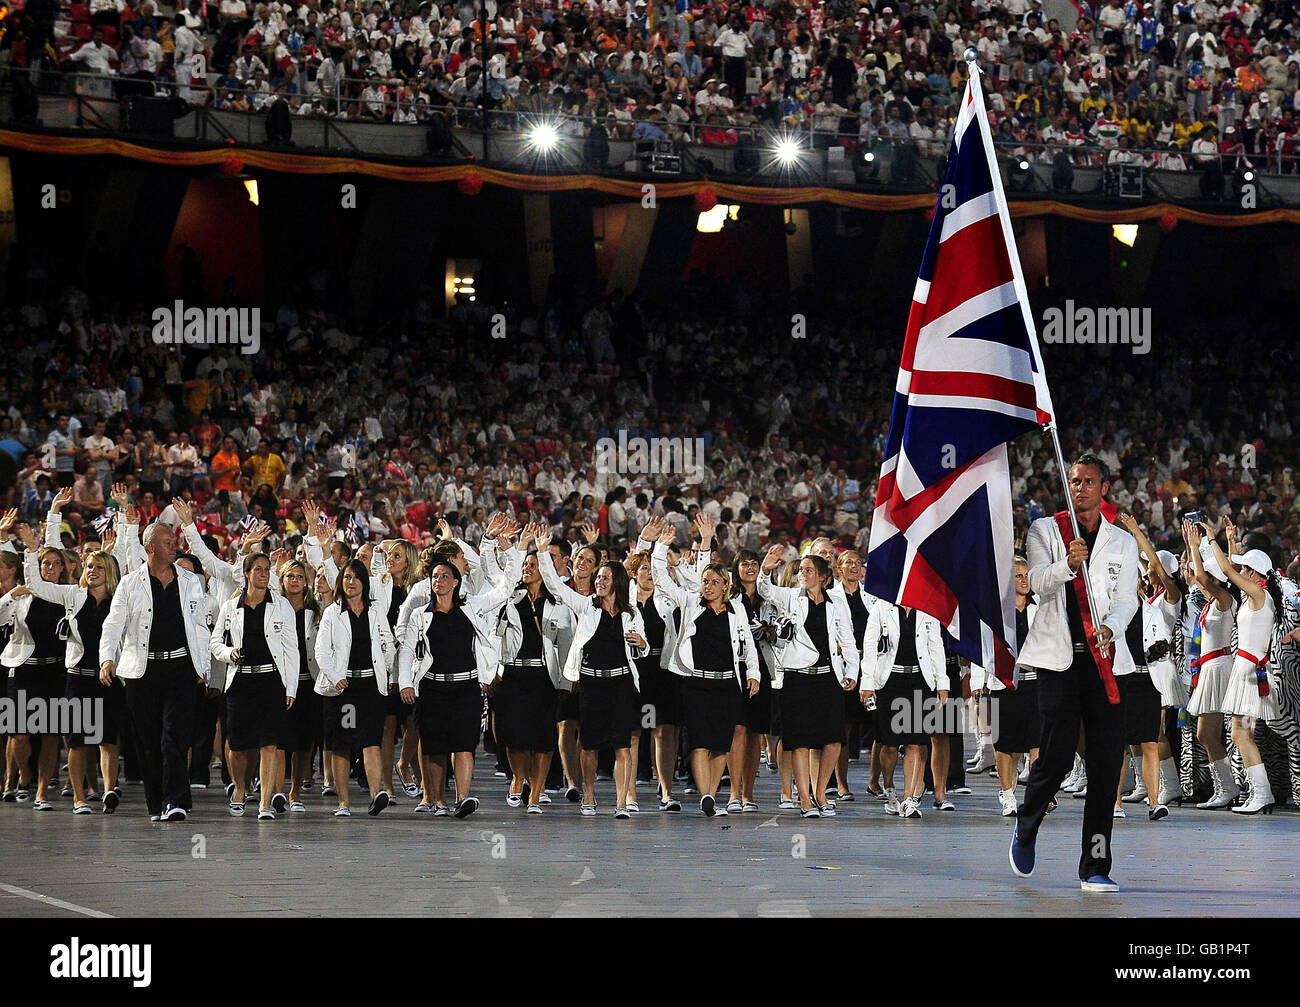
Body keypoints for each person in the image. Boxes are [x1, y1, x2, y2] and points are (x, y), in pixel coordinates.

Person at [1010, 454, 1139, 893]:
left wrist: (1111, 627)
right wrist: (1068, 563)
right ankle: (1027, 825)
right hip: (1058, 663)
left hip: (1104, 659)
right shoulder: (1046, 530)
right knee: (1058, 757)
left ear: (1104, 487)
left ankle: (1095, 864)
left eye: (1088, 481)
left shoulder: (1122, 541)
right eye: (1074, 480)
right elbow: (1039, 583)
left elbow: (1127, 600)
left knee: (1106, 765)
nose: (1080, 487)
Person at [398, 525, 523, 818]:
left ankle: (463, 798)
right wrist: (406, 682)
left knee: (464, 745)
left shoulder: (473, 607)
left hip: (466, 688)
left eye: (444, 577)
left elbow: (506, 588)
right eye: (435, 577)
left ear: (456, 582)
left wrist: (509, 552)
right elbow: (406, 650)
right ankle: (439, 800)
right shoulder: (421, 615)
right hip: (431, 688)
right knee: (435, 747)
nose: (439, 581)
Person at [100, 521, 213, 822]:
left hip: (180, 668)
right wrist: (106, 659)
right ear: (150, 547)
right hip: (142, 670)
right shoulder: (130, 583)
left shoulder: (190, 580)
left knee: (174, 737)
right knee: (148, 742)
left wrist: (202, 667)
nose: (174, 546)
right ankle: (157, 802)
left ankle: (175, 800)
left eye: (174, 541)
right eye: (167, 542)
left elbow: (201, 627)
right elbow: (113, 624)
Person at [648, 515, 760, 818]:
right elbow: (660, 577)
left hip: (726, 684)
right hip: (696, 683)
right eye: (705, 581)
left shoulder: (736, 609)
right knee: (699, 743)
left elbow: (747, 643)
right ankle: (707, 795)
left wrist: (753, 673)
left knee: (720, 745)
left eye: (714, 582)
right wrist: (659, 548)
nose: (708, 585)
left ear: (725, 585)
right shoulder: (690, 602)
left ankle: (712, 795)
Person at [536, 524, 648, 818]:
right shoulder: (587, 607)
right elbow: (556, 586)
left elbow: (643, 645)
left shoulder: (631, 612)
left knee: (623, 746)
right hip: (592, 685)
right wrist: (540, 551)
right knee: (589, 746)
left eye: (605, 578)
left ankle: (621, 802)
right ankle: (588, 794)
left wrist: (642, 643)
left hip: (621, 684)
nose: (599, 581)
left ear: (617, 583)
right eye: (598, 577)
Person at [16, 524, 124, 814]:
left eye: (99, 567)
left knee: (107, 740)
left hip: (109, 678)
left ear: (110, 572)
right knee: (77, 741)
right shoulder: (73, 596)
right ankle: (79, 798)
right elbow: (38, 586)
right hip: (78, 679)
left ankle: (109, 790)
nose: (92, 571)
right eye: (89, 566)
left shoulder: (119, 601)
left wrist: (125, 531)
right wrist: (30, 550)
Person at [757, 545, 859, 818]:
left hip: (828, 678)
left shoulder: (836, 603)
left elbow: (848, 640)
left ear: (823, 576)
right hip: (797, 679)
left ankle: (821, 792)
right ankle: (804, 799)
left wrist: (852, 671)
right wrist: (766, 570)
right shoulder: (791, 597)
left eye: (809, 570)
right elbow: (766, 591)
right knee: (799, 742)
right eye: (801, 570)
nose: (802, 574)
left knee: (834, 740)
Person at [211, 553, 299, 820]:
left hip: (271, 680)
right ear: (247, 573)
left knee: (269, 743)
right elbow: (215, 643)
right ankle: (239, 789)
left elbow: (290, 649)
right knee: (237, 745)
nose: (264, 574)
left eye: (267, 569)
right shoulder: (230, 607)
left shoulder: (281, 605)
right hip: (240, 680)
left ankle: (265, 802)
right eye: (258, 569)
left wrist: (290, 688)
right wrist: (229, 653)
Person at [1207, 520, 1283, 814]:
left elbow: (1226, 570)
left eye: (1244, 569)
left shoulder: (1259, 595)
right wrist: (1230, 539)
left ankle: (1262, 794)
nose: (1238, 573)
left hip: (1251, 673)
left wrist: (1213, 539)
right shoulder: (1256, 594)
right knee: (1242, 734)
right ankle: (1259, 793)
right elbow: (1230, 571)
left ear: (1254, 574)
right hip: (1247, 671)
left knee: (1242, 734)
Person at [495, 532, 573, 813]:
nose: (527, 570)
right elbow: (496, 636)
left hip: (543, 677)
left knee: (542, 737)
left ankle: (536, 794)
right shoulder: (510, 598)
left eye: (533, 565)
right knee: (513, 734)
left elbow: (565, 642)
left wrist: (566, 680)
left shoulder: (556, 602)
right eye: (524, 566)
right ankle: (518, 778)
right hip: (513, 674)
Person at [314, 558, 396, 817]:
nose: (351, 582)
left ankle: (376, 795)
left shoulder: (376, 610)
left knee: (372, 741)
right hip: (344, 689)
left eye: (356, 577)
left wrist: (387, 669)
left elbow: (388, 644)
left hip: (370, 686)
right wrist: (335, 675)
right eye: (347, 577)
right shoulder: (332, 612)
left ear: (364, 582)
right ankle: (343, 803)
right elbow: (321, 651)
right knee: (343, 743)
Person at [861, 597, 948, 819]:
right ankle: (889, 788)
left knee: (915, 743)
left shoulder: (927, 606)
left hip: (920, 681)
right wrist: (867, 683)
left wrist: (942, 682)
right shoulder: (882, 606)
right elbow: (869, 644)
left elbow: (935, 645)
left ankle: (909, 799)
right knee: (889, 745)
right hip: (889, 683)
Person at [1181, 519, 1241, 809]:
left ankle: (1227, 789)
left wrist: (1198, 545)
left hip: (1219, 667)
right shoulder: (1211, 600)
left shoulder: (1225, 598)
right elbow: (1197, 578)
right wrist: (1194, 547)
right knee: (1207, 733)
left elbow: (1202, 579)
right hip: (1210, 668)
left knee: (1207, 733)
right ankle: (1225, 788)